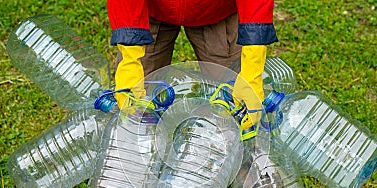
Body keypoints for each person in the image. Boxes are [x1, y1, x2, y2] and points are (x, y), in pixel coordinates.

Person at [107, 0, 278, 130]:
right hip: (147, 12)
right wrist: (130, 56)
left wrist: (252, 63)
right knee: (133, 105)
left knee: (238, 105)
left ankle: (249, 167)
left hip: (216, 10)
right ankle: (132, 161)